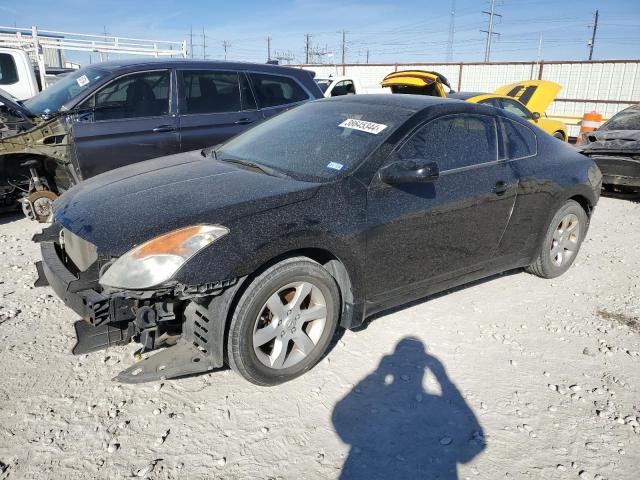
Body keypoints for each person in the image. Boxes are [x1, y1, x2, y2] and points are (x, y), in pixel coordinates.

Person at [333, 337, 485, 479]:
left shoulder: (382, 400)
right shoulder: (436, 404)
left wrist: (378, 373)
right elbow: (469, 451)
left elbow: (340, 420)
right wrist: (444, 380)